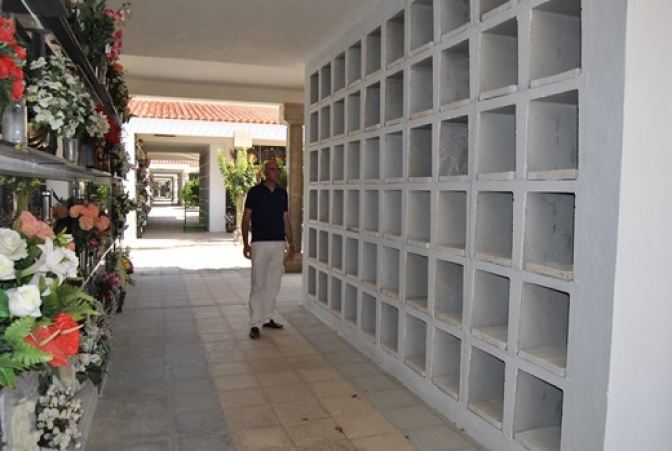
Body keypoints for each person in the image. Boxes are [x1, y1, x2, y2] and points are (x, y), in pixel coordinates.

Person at [242, 159, 296, 339]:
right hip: (260, 243)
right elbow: (246, 218)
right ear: (265, 172)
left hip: (278, 243)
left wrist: (292, 244)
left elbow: (286, 219)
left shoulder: (282, 193)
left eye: (277, 170)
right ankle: (255, 324)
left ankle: (267, 317)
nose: (276, 172)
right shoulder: (255, 193)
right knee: (258, 283)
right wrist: (245, 243)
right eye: (272, 169)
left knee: (274, 282)